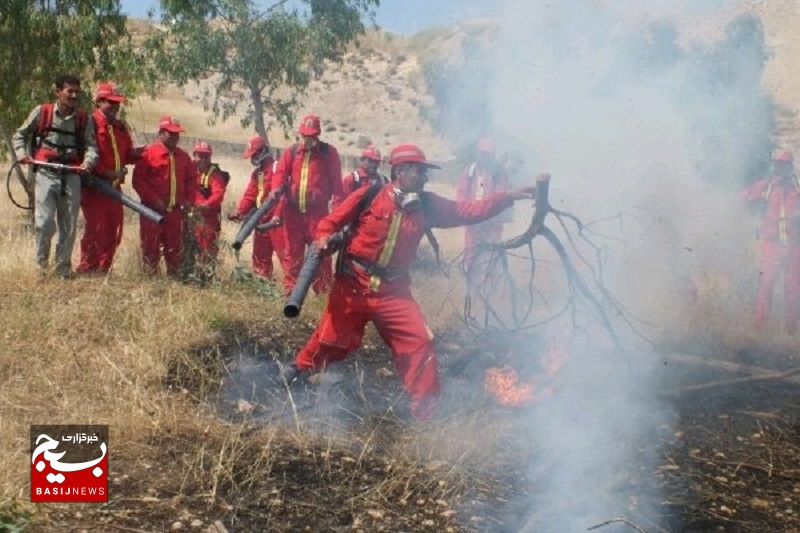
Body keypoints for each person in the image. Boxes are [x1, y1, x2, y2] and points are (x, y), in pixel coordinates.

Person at [281, 143, 537, 421]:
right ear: (399, 172)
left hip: (394, 292)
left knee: (419, 345)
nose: (425, 177)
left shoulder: (428, 205)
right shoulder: (369, 195)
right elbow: (329, 223)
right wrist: (322, 239)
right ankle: (295, 372)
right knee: (331, 340)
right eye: (419, 171)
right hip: (353, 285)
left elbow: (469, 210)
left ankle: (425, 418)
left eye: (425, 172)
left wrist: (508, 196)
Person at [12, 73, 99, 278]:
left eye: (77, 92)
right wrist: (22, 154)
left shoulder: (83, 120)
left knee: (68, 226)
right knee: (44, 224)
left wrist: (88, 162)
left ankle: (63, 270)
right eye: (70, 91)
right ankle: (42, 269)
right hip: (45, 174)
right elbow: (20, 135)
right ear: (58, 92)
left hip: (71, 176)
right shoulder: (42, 112)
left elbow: (91, 146)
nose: (74, 95)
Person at [270, 114, 344, 294]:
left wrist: (336, 218)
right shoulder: (292, 151)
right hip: (293, 213)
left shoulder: (329, 153)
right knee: (292, 254)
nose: (307, 139)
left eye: (311, 136)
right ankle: (291, 293)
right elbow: (280, 174)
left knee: (321, 255)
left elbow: (337, 187)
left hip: (317, 216)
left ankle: (323, 292)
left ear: (317, 135)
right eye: (304, 135)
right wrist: (275, 189)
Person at [76, 82, 142, 275]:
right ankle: (87, 268)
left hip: (114, 190)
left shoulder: (120, 127)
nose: (115, 107)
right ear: (99, 101)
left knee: (114, 229)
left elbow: (128, 154)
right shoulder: (91, 123)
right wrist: (108, 173)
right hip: (95, 188)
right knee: (95, 229)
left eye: (117, 103)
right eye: (110, 102)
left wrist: (145, 153)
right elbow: (85, 155)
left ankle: (104, 269)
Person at [132, 116, 197, 276]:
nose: (175, 137)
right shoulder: (148, 154)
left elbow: (191, 179)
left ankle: (174, 280)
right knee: (150, 247)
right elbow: (138, 181)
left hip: (175, 212)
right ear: (161, 133)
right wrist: (154, 200)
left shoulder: (183, 156)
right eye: (171, 133)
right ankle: (150, 279)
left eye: (177, 134)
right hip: (152, 212)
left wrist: (189, 200)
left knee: (174, 249)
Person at [742, 150, 800, 331]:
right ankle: (760, 327)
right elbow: (741, 198)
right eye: (777, 164)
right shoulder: (766, 186)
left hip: (794, 245)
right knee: (766, 284)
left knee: (794, 289)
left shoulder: (797, 188)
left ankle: (790, 329)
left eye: (783, 165)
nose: (779, 168)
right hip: (771, 245)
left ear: (790, 167)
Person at [228, 135, 285, 279]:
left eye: (254, 155)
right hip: (261, 220)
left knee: (286, 258)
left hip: (278, 222)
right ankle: (263, 286)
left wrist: (278, 215)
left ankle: (292, 293)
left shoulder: (278, 168)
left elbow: (284, 196)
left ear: (263, 151)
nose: (253, 159)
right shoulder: (257, 173)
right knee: (260, 259)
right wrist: (240, 212)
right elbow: (250, 195)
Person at [456, 138, 511, 283]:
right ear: (478, 153)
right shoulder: (470, 172)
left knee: (490, 254)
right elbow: (461, 194)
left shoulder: (499, 173)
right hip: (473, 221)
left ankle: (489, 285)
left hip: (492, 222)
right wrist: (467, 213)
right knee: (470, 254)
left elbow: (500, 196)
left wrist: (488, 213)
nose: (485, 157)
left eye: (489, 154)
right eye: (483, 153)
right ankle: (470, 283)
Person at [191, 140, 228, 279]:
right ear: (194, 155)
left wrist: (205, 206)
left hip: (207, 218)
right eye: (200, 156)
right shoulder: (188, 169)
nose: (203, 159)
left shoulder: (215, 175)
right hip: (189, 215)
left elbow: (218, 194)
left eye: (206, 156)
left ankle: (204, 278)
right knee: (187, 247)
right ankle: (189, 274)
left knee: (207, 250)